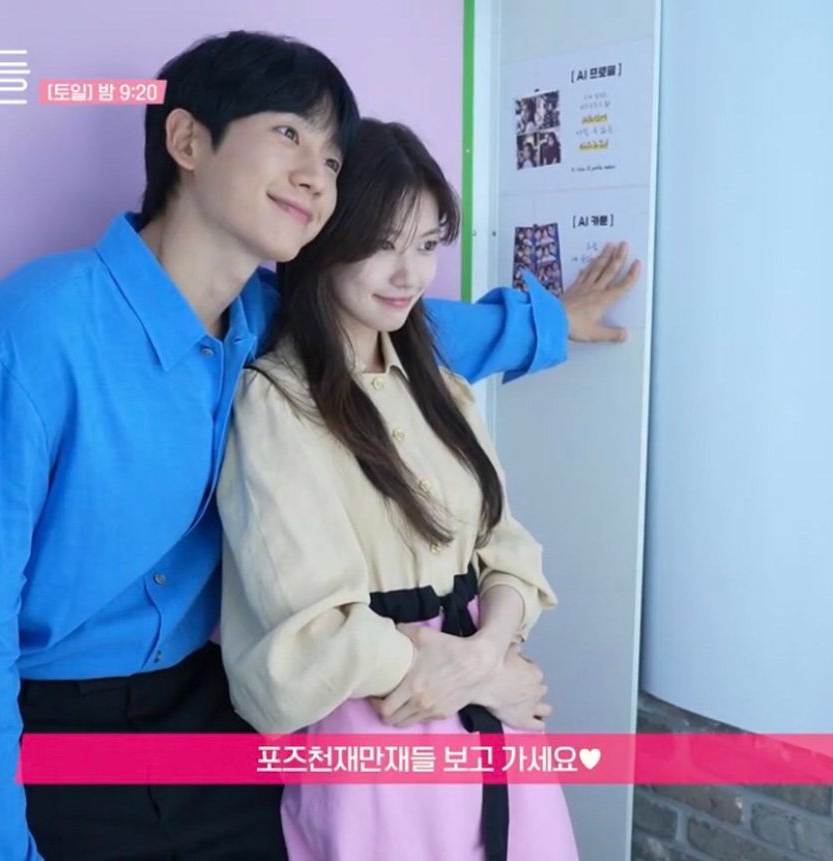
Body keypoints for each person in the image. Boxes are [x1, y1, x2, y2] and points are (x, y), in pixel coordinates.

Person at [0, 30, 639, 861]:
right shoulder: (28, 337)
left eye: (333, 158)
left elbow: (410, 329)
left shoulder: (270, 318)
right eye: (288, 134)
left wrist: (548, 322)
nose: (317, 175)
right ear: (186, 140)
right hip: (54, 720)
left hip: (212, 710)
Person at [216, 119, 593, 860]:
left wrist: (487, 657)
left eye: (425, 245)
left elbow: (508, 548)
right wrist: (479, 675)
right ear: (325, 239)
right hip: (381, 734)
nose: (409, 274)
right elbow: (309, 627)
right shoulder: (276, 402)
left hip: (498, 728)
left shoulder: (442, 388)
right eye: (382, 244)